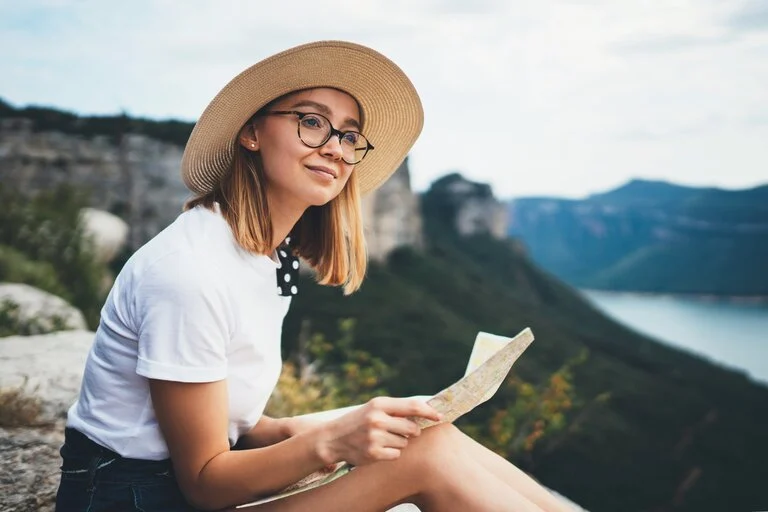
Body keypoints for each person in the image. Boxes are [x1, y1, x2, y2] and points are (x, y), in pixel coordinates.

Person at [55, 41, 574, 512]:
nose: (337, 148)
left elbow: (232, 419)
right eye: (312, 122)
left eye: (350, 135)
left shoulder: (260, 253)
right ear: (251, 132)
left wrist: (319, 428)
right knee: (422, 461)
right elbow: (204, 483)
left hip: (175, 483)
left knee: (428, 435)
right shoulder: (188, 272)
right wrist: (327, 443)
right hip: (134, 497)